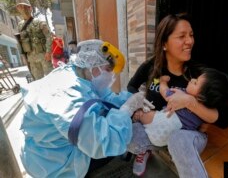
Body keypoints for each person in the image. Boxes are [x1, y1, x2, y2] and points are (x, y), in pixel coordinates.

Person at [20, 39, 154, 178]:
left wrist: (132, 99)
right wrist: (127, 109)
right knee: (117, 143)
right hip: (53, 165)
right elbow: (102, 142)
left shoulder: (78, 74)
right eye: (108, 70)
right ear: (92, 63)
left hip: (54, 150)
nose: (111, 77)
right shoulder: (67, 96)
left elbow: (106, 97)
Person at [127, 13, 228, 177]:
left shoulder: (198, 74)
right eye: (182, 36)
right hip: (157, 125)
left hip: (185, 133)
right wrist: (139, 104)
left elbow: (224, 119)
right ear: (164, 44)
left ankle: (179, 154)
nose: (190, 41)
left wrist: (190, 102)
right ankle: (146, 149)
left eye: (191, 35)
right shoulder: (151, 66)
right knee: (130, 134)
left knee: (178, 140)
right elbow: (131, 86)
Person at [133, 68, 228, 148]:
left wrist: (163, 82)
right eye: (180, 38)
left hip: (160, 122)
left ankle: (139, 116)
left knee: (143, 113)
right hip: (169, 134)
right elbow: (204, 127)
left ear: (201, 96)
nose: (192, 79)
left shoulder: (184, 88)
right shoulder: (156, 67)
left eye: (195, 82)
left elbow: (164, 92)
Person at [15, 0, 53, 80]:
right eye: (20, 7)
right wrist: (24, 57)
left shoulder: (39, 22)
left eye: (24, 6)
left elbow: (49, 37)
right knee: (38, 81)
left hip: (43, 55)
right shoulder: (20, 25)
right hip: (31, 58)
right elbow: (20, 42)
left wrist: (48, 52)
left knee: (51, 78)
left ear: (30, 8)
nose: (22, 9)